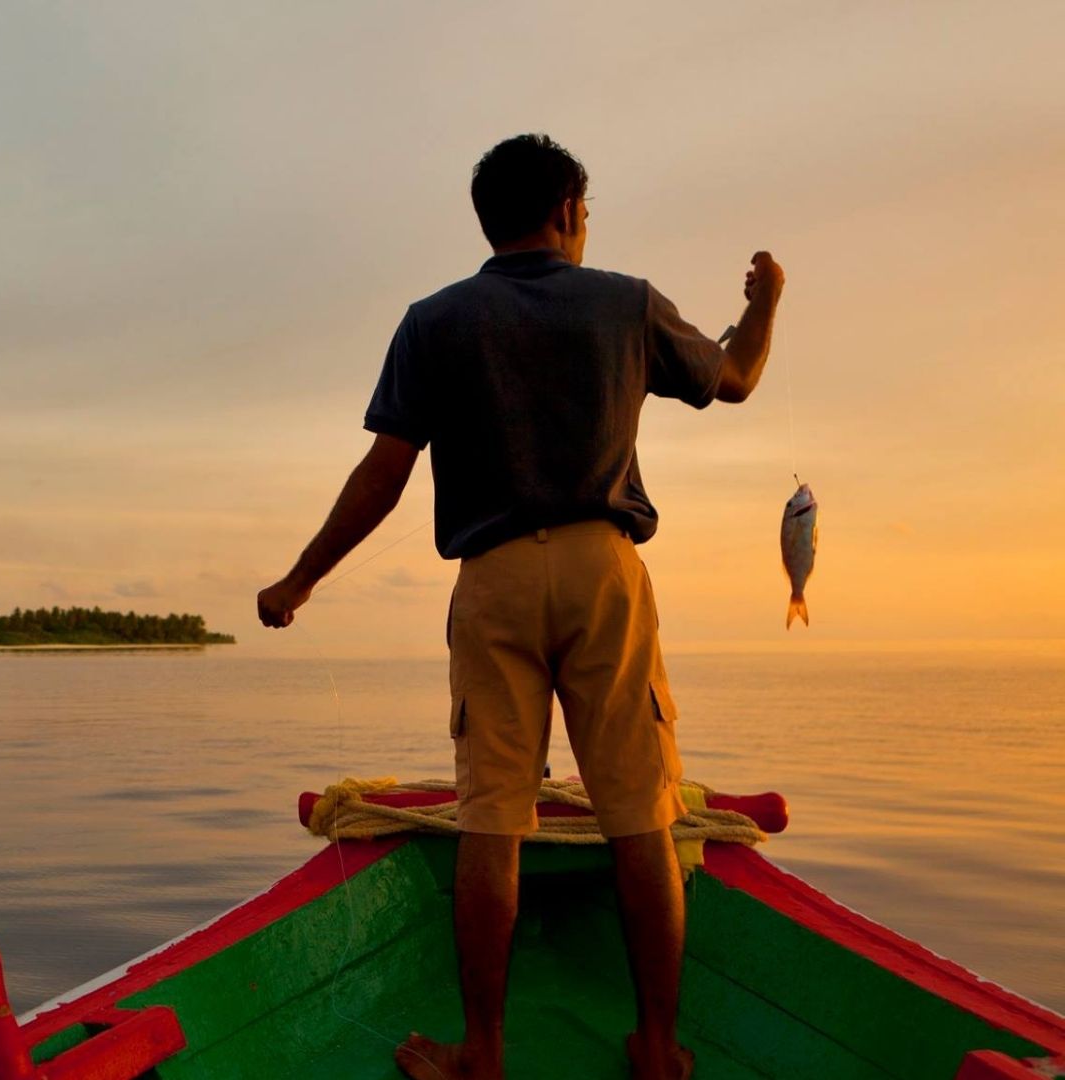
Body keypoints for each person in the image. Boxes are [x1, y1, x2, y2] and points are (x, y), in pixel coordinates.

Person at [255, 133, 784, 1080]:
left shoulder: (434, 320)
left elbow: (385, 470)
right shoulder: (624, 301)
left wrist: (301, 579)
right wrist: (763, 306)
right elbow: (735, 378)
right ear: (570, 210)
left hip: (492, 578)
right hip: (603, 569)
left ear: (489, 221)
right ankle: (659, 1048)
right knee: (639, 814)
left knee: (491, 818)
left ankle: (484, 1053)